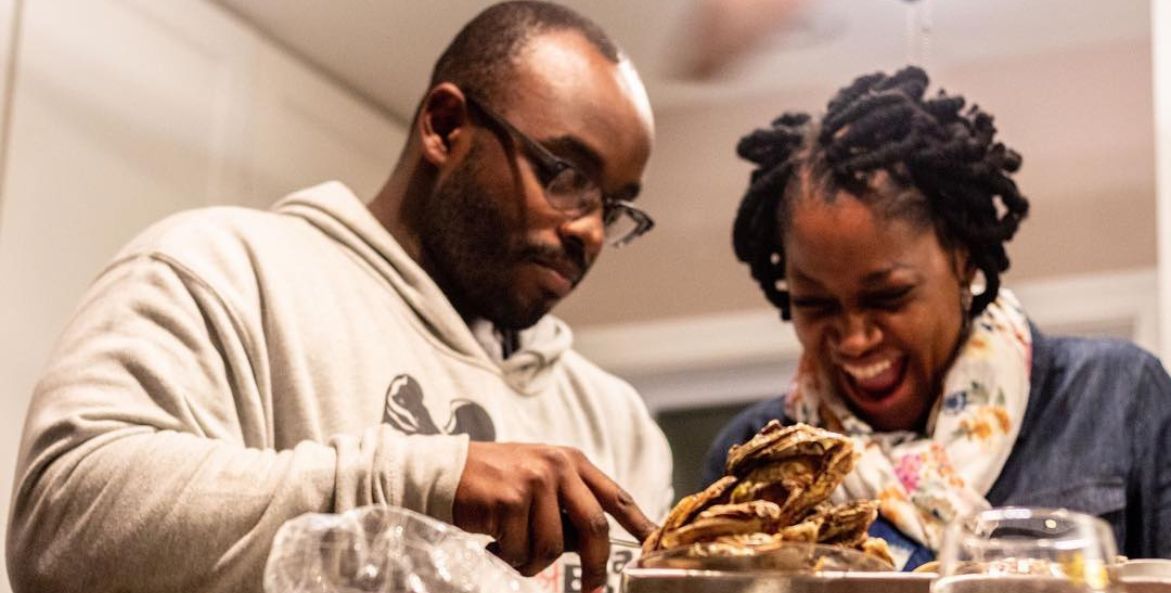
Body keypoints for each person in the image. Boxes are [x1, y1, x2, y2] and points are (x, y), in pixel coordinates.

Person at [7, 3, 673, 592]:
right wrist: (421, 480)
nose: (588, 227)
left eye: (614, 206)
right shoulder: (223, 270)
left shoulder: (619, 423)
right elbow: (61, 525)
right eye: (563, 175)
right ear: (444, 126)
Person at [701, 66, 1171, 569]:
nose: (855, 340)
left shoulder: (1114, 396)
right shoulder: (752, 457)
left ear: (962, 260)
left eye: (889, 297)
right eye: (816, 304)